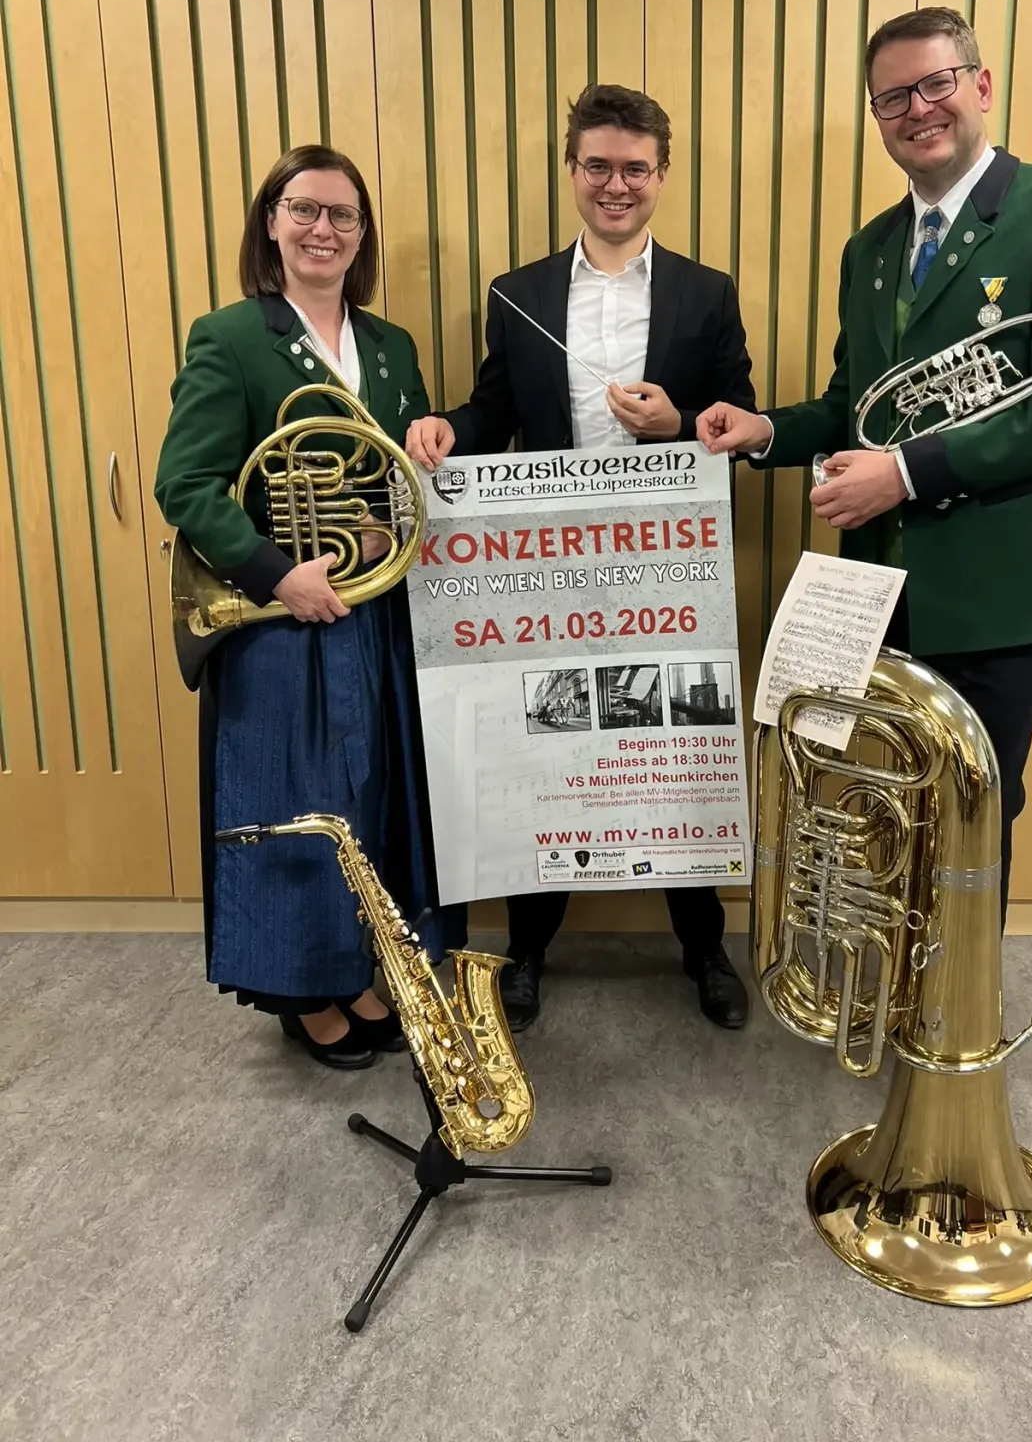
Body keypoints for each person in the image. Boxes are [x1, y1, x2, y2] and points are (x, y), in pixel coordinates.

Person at [698, 7, 1032, 920]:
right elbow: (855, 405)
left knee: (975, 810)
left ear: (981, 85)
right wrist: (763, 430)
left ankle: (959, 1004)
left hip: (1005, 582)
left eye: (937, 84)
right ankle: (900, 983)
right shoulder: (871, 248)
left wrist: (900, 475)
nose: (917, 109)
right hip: (886, 582)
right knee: (893, 805)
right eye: (892, 97)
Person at [410, 84, 756, 1032]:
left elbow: (737, 418)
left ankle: (703, 946)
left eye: (635, 168)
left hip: (670, 569)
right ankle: (527, 949)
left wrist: (679, 421)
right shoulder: (515, 294)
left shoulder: (707, 292)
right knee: (546, 744)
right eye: (597, 165)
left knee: (678, 749)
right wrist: (449, 426)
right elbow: (495, 412)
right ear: (571, 170)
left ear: (662, 174)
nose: (616, 184)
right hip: (550, 573)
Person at [155, 144, 465, 1068]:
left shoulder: (392, 346)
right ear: (272, 222)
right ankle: (306, 994)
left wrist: (424, 447)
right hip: (282, 618)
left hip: (375, 609)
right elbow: (186, 483)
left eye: (342, 215)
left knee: (371, 797)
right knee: (297, 808)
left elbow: (392, 478)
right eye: (304, 210)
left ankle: (364, 967)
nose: (322, 229)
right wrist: (274, 571)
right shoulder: (230, 336)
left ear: (362, 234)